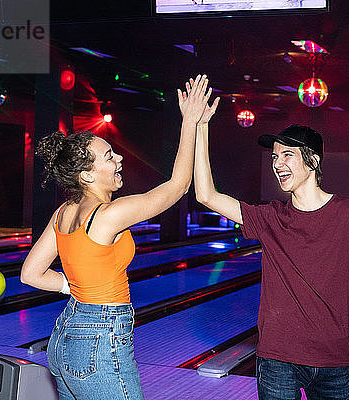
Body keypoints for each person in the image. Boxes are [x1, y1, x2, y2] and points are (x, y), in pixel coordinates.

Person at [192, 95, 349, 399]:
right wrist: (200, 127)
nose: (277, 163)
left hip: (332, 364)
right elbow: (206, 195)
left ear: (313, 160)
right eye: (274, 157)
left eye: (287, 155)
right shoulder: (270, 217)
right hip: (277, 359)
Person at [20, 75, 213, 400]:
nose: (119, 158)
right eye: (109, 157)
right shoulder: (108, 215)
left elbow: (30, 274)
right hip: (99, 338)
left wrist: (72, 285)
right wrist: (190, 122)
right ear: (87, 174)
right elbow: (177, 186)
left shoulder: (63, 213)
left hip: (66, 335)